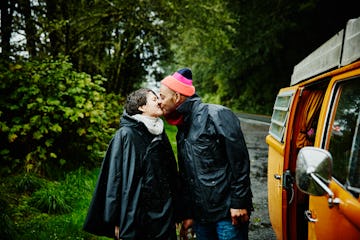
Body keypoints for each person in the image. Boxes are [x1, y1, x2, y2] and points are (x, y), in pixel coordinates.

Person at [159, 68, 253, 240]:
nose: (160, 102)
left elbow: (239, 163)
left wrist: (239, 203)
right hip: (201, 218)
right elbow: (187, 176)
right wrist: (188, 214)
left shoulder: (217, 115)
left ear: (177, 97)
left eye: (162, 97)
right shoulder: (182, 129)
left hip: (227, 215)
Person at [83, 88, 179, 240]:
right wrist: (114, 220)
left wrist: (177, 214)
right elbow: (114, 179)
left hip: (163, 215)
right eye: (154, 100)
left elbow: (171, 174)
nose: (160, 102)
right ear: (142, 107)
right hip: (134, 215)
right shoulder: (126, 135)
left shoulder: (160, 132)